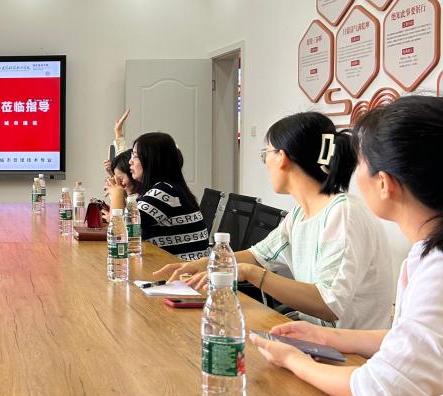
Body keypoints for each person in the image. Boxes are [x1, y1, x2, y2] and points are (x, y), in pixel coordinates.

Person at [250, 96, 443, 396]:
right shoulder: (425, 254)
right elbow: (409, 339)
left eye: (362, 164)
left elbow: (383, 392)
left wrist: (295, 361)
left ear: (385, 184)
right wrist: (326, 338)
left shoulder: (436, 269)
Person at [157, 112, 394, 329]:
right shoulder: (300, 213)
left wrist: (249, 273)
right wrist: (201, 264)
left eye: (266, 154)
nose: (265, 163)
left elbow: (328, 304)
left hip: (348, 351)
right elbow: (259, 255)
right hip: (313, 336)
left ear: (282, 157)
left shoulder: (342, 214)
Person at [112, 132, 209, 261]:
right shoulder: (168, 188)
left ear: (152, 160)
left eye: (135, 156)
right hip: (176, 265)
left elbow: (120, 232)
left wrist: (117, 192)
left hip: (183, 269)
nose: (130, 161)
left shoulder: (165, 192)